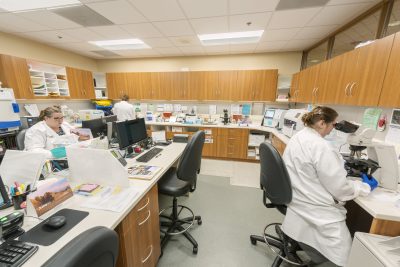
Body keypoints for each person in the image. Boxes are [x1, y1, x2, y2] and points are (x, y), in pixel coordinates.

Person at [281, 106, 378, 266]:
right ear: (321, 123)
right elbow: (341, 191)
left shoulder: (299, 136)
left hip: (297, 200)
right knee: (345, 256)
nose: (334, 129)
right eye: (333, 124)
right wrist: (364, 187)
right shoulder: (322, 147)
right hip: (316, 209)